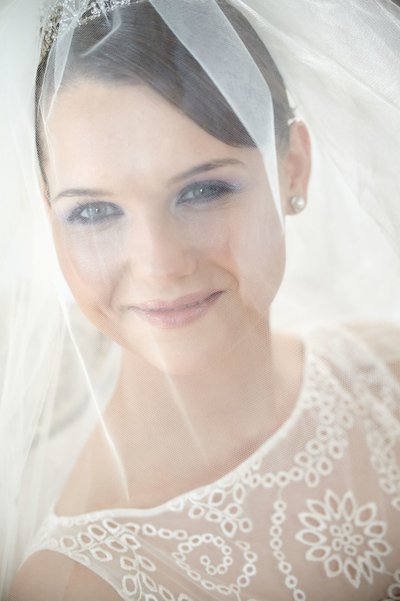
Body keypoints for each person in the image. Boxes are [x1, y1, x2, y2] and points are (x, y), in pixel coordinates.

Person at [2, 0, 400, 599]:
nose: (161, 265)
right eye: (94, 211)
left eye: (203, 190)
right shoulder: (74, 584)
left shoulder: (390, 379)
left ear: (293, 168)